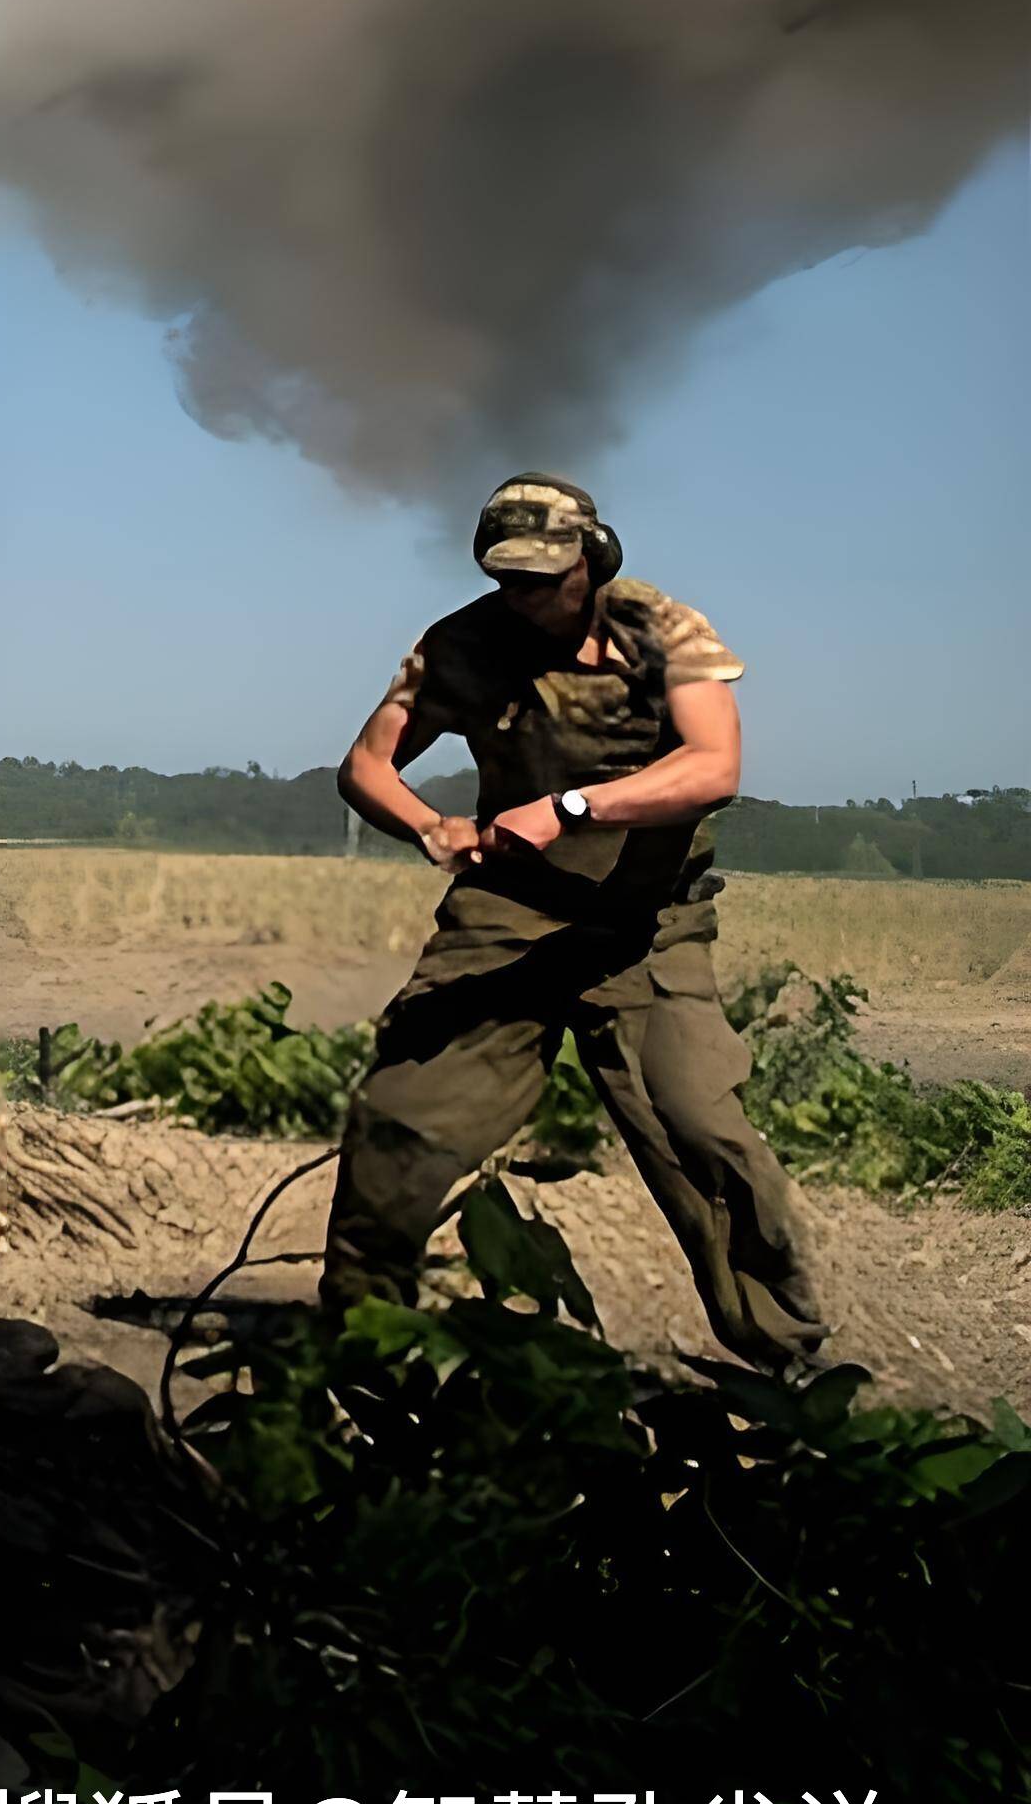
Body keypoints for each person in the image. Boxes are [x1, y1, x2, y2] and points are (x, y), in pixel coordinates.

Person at [315, 474, 833, 1372]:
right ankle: (366, 1359)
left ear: (591, 562)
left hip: (646, 928)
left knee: (701, 1132)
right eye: (507, 577)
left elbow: (715, 767)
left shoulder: (664, 630)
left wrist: (573, 808)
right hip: (505, 918)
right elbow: (365, 764)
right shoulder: (459, 647)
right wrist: (428, 824)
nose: (525, 596)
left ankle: (791, 1364)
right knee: (399, 1120)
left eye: (544, 577)